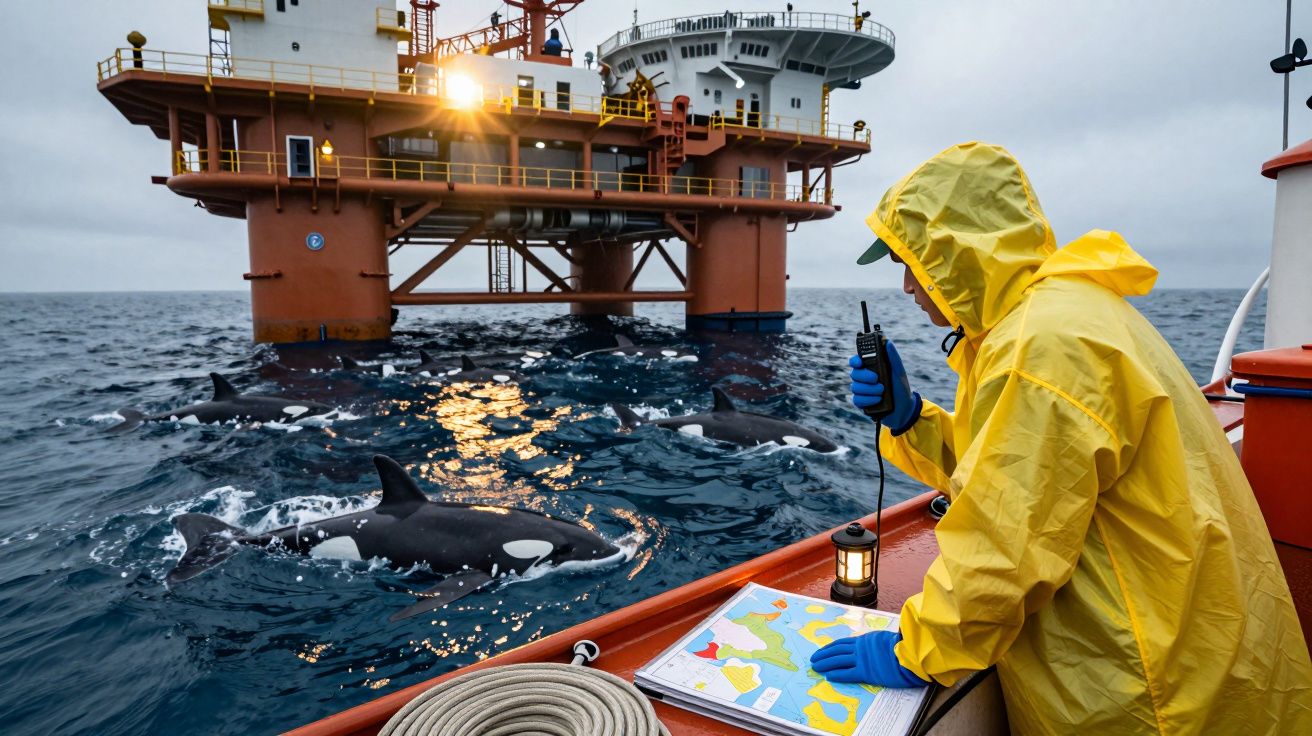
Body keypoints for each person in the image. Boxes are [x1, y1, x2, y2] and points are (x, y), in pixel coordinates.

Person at [811, 141, 1312, 733]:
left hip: (1145, 691)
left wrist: (915, 649)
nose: (904, 286)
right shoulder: (1066, 313)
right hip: (1194, 651)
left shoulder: (1039, 349)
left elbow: (1005, 545)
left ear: (952, 253)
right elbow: (1020, 475)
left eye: (908, 261)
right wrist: (910, 419)